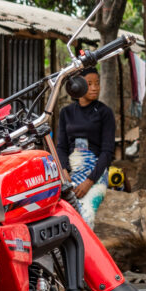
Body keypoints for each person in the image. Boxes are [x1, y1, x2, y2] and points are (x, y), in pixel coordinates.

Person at [56, 69, 115, 229]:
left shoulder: (105, 112)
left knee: (85, 215)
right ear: (78, 86)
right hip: (70, 172)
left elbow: (107, 151)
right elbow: (61, 146)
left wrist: (89, 181)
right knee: (60, 212)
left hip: (96, 173)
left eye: (97, 83)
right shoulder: (66, 112)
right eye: (89, 84)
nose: (95, 87)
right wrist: (64, 171)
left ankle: (84, 253)